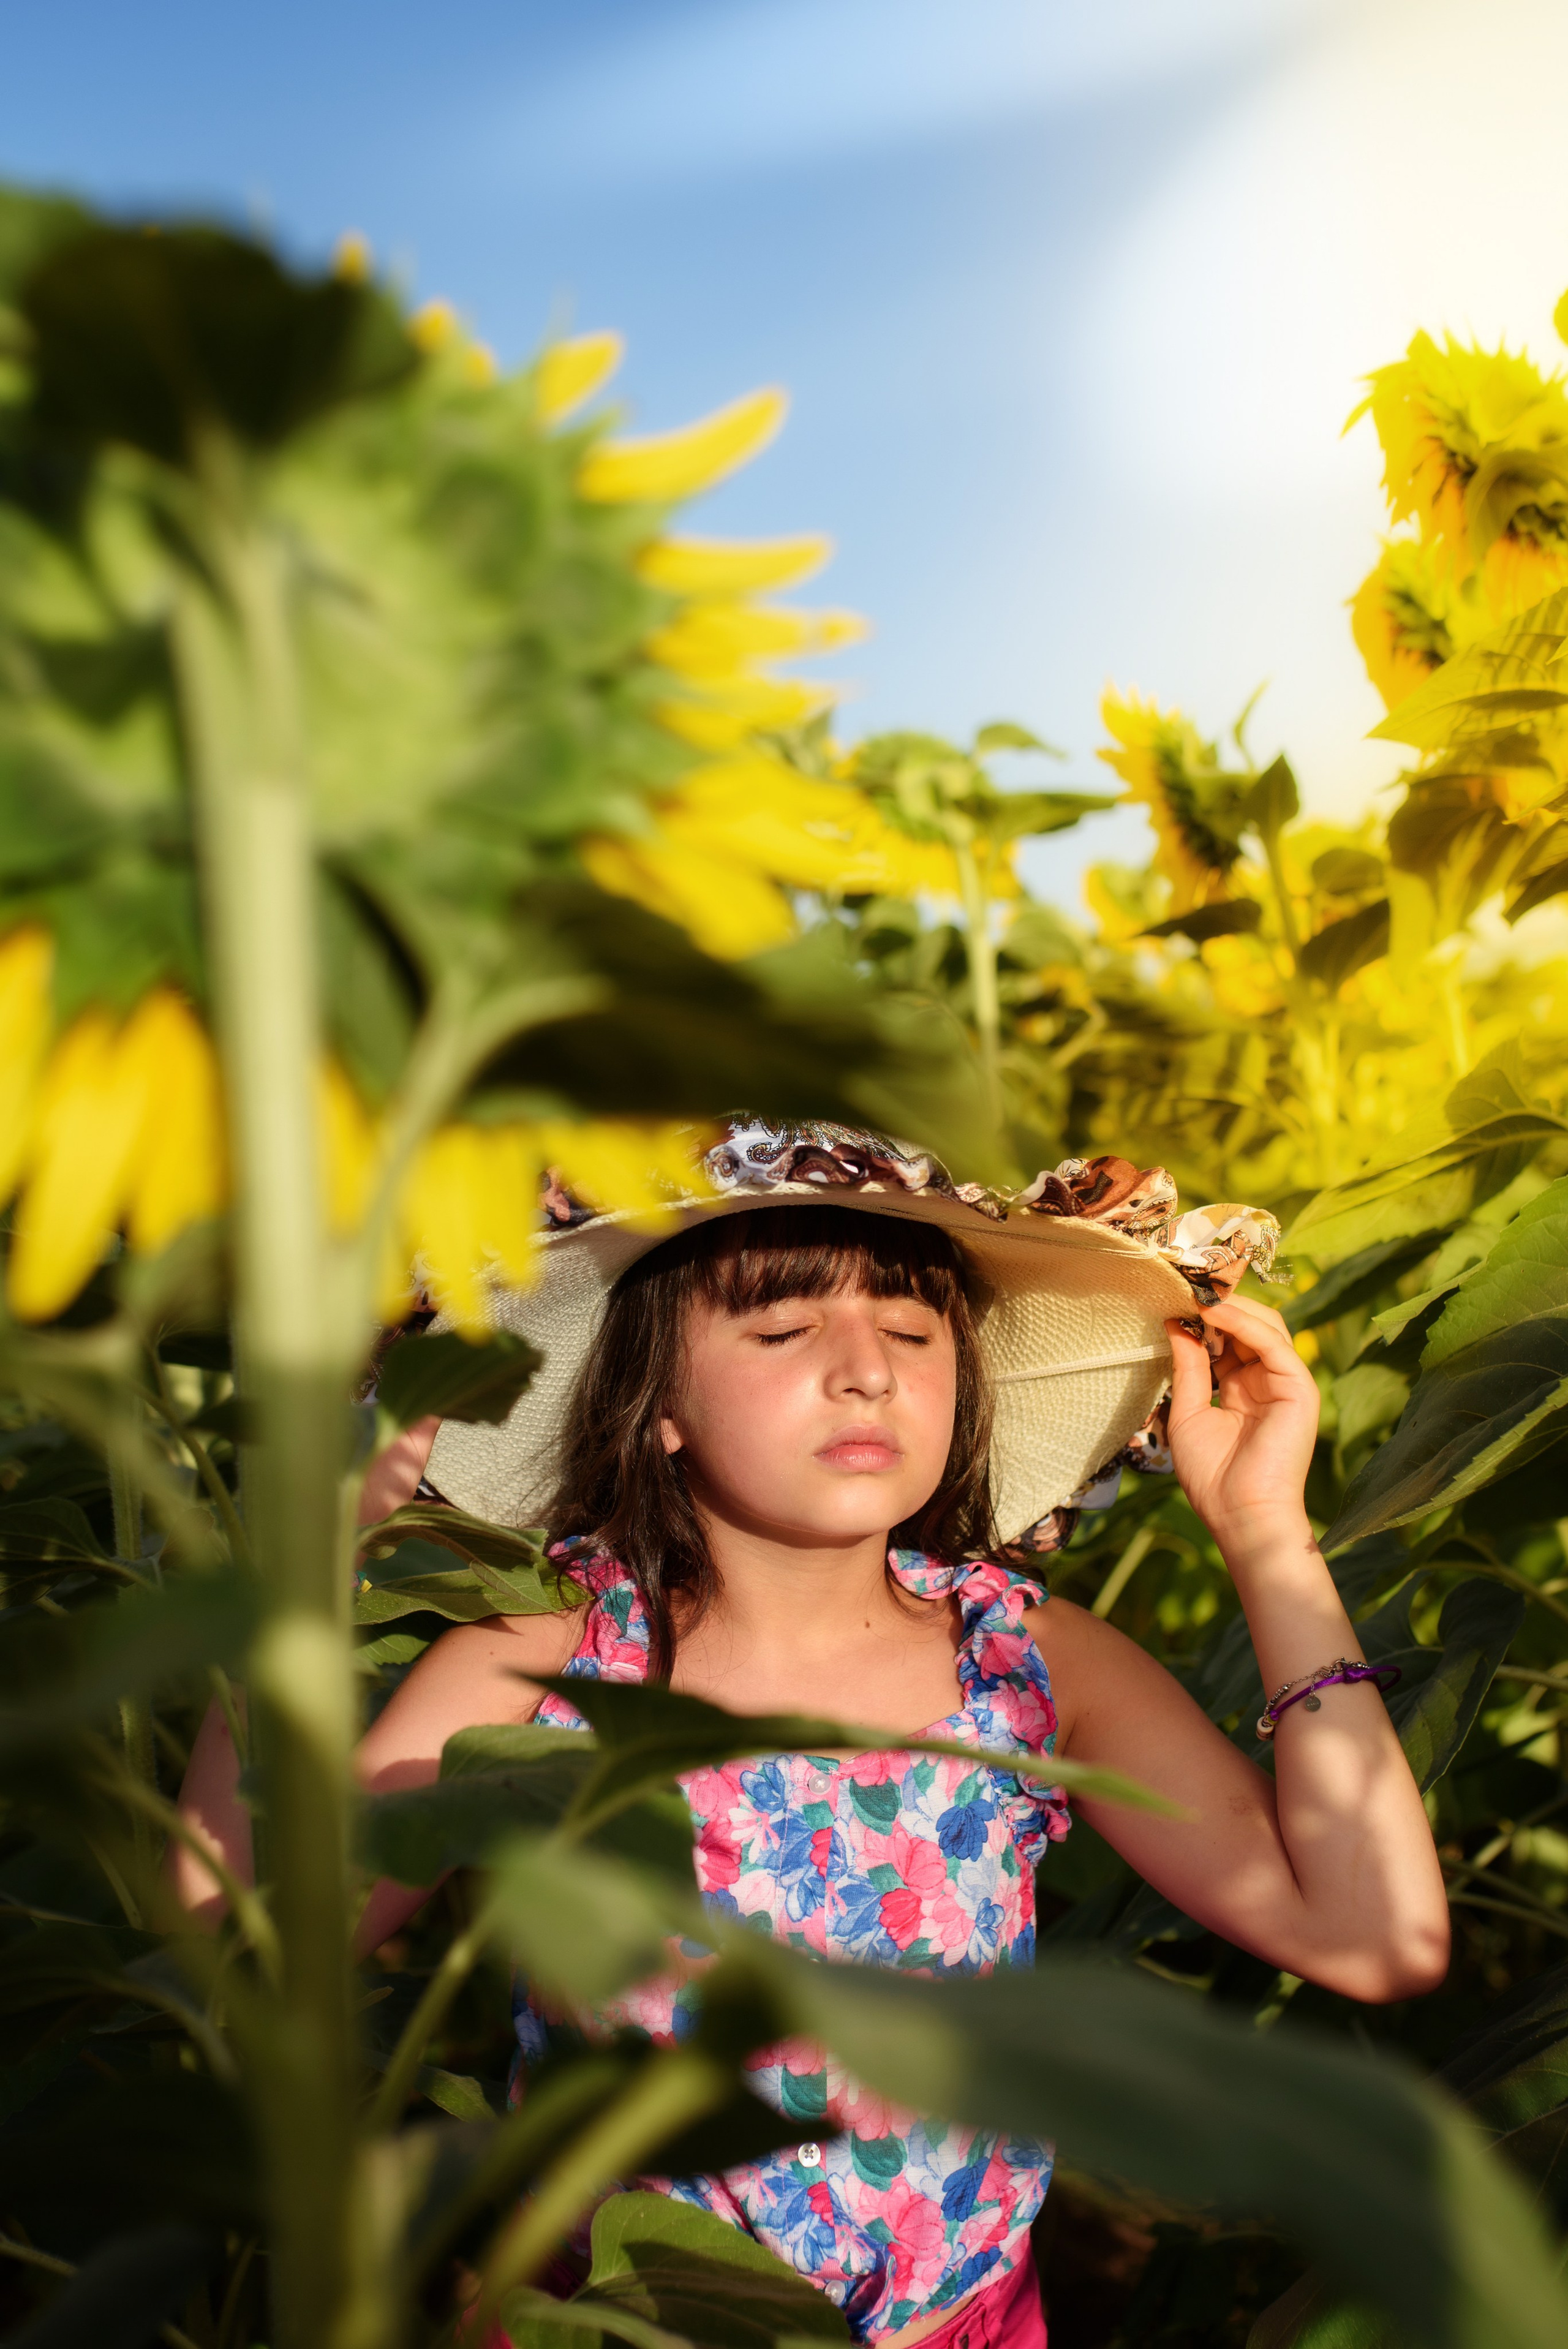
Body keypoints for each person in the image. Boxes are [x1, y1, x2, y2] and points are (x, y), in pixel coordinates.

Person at [173, 1122, 1449, 2349]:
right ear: (654, 1401)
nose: (868, 1368)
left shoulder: (1023, 1663)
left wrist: (1266, 1536)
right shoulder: (549, 1664)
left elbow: (1369, 1937)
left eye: (910, 1329)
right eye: (782, 1326)